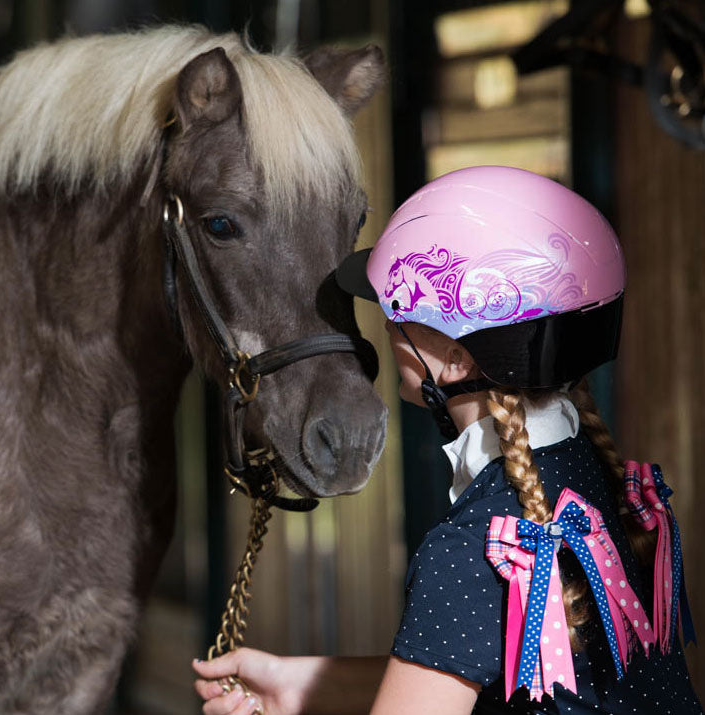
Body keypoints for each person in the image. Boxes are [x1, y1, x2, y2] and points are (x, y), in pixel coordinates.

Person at [192, 166, 702, 714]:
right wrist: (299, 688)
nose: (387, 327)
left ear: (458, 361)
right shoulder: (599, 484)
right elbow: (483, 674)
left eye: (399, 318)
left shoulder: (475, 549)